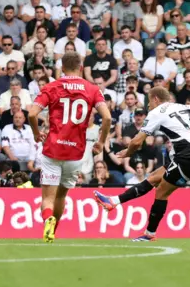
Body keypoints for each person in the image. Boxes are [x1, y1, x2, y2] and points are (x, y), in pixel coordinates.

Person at [93, 86, 190, 241]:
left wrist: (128, 152)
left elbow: (136, 141)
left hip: (187, 157)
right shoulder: (186, 108)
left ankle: (149, 234)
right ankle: (113, 201)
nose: (148, 106)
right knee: (154, 177)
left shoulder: (156, 112)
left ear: (156, 99)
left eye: (149, 103)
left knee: (162, 191)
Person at [28, 52, 112, 243]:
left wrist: (35, 133)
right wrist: (100, 141)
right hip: (75, 153)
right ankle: (53, 231)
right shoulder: (92, 89)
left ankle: (47, 221)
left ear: (62, 68)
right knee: (61, 196)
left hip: (53, 150)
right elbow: (107, 117)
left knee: (48, 197)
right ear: (81, 68)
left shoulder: (52, 86)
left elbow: (32, 114)